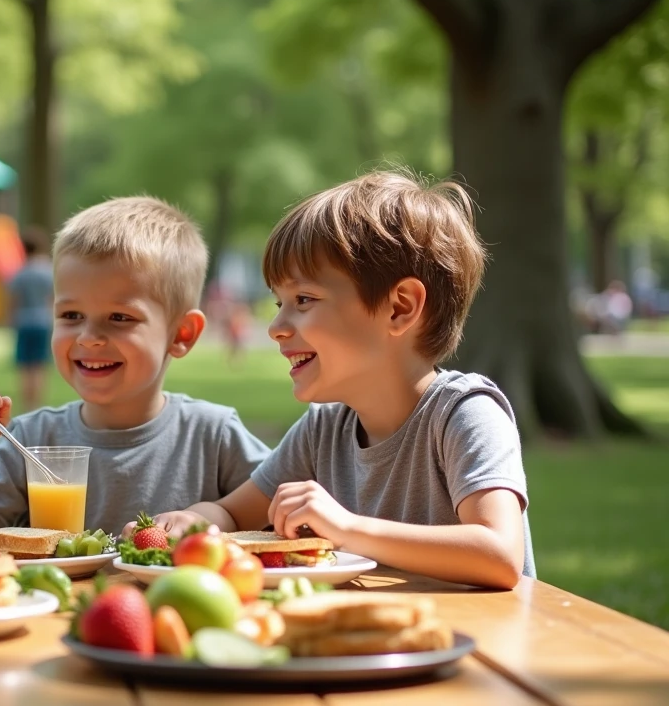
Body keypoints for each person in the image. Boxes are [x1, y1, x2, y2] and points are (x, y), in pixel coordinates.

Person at [135, 171, 533, 590]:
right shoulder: (324, 428)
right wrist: (193, 521)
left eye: (303, 299)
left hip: (477, 647)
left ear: (400, 307)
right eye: (278, 303)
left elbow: (499, 554)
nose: (275, 327)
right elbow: (233, 514)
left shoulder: (464, 414)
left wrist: (346, 527)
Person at [0, 197, 271, 537]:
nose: (88, 338)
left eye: (119, 317)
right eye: (71, 315)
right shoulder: (31, 440)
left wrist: (213, 520)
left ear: (182, 334)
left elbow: (286, 523)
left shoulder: (214, 435)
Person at [8, 226, 55, 411]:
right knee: (39, 365)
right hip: (43, 321)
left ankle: (27, 405)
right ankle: (37, 404)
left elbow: (14, 300)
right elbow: (52, 299)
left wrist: (10, 321)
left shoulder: (20, 273)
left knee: (25, 366)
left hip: (23, 321)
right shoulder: (48, 271)